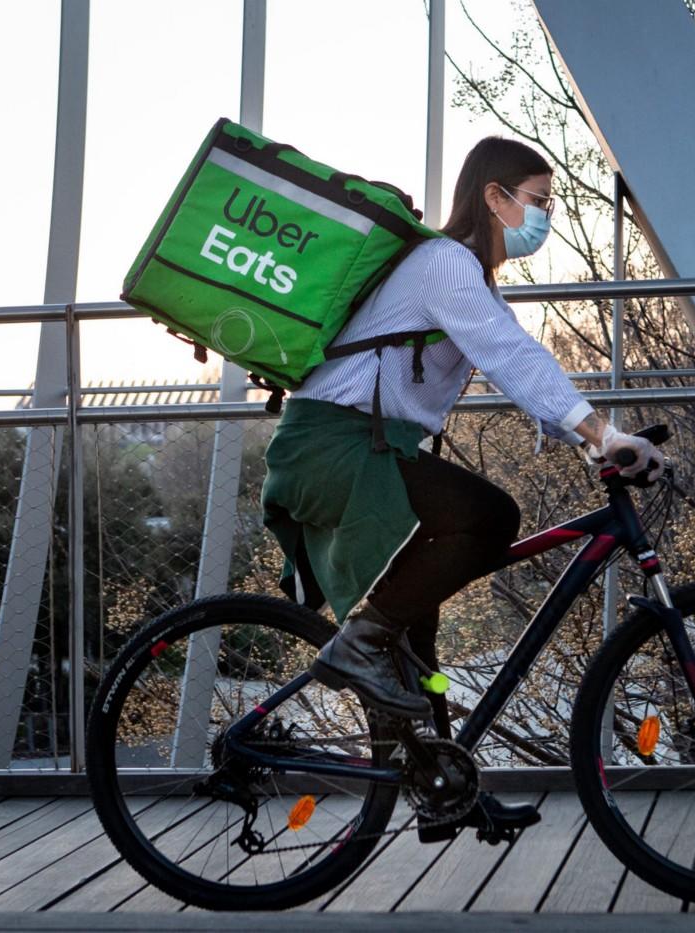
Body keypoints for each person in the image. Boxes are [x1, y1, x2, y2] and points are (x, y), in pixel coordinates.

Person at [260, 137, 663, 840]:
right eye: (538, 202)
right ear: (494, 196)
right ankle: (356, 644)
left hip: (363, 448)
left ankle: (447, 787)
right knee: (489, 514)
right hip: (335, 446)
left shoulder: (469, 276)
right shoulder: (446, 262)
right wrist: (601, 433)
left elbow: (521, 365)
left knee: (418, 636)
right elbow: (508, 353)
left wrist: (595, 436)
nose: (545, 218)